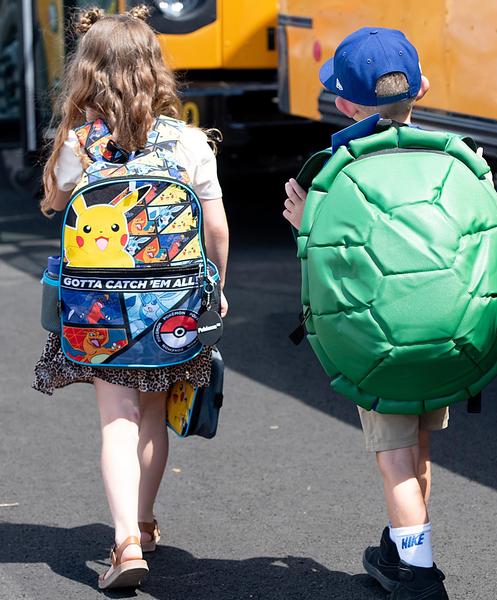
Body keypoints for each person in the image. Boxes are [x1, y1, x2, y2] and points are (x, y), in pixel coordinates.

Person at [33, 6, 229, 590]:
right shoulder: (189, 143)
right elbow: (216, 230)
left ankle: (124, 543)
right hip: (171, 305)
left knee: (114, 421)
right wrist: (215, 291)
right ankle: (142, 522)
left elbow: (54, 204)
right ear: (155, 70)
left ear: (87, 75)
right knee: (152, 420)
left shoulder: (79, 143)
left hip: (98, 310)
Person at [282, 28, 451, 600]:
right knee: (419, 447)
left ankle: (418, 574)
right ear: (421, 88)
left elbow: (331, 258)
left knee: (395, 457)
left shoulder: (331, 166)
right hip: (446, 326)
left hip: (381, 335)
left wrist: (306, 220)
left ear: (346, 104)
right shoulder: (446, 153)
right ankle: (403, 544)